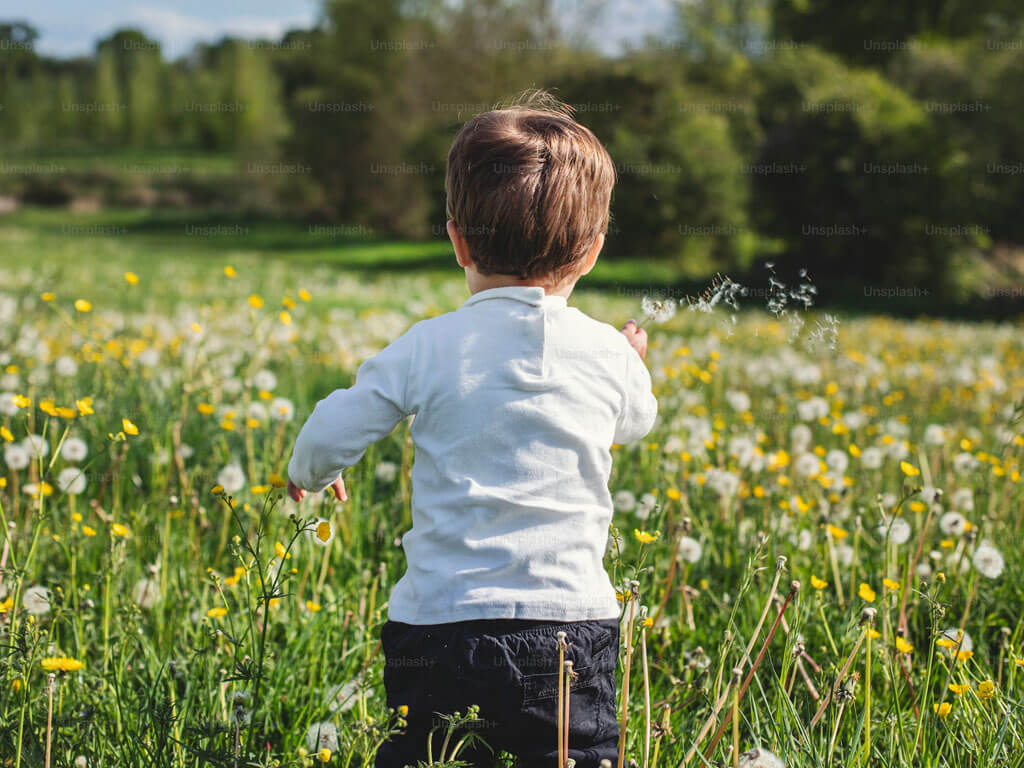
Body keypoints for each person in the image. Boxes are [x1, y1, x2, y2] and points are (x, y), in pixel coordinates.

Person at [287, 90, 658, 768]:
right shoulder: (607, 351)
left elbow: (330, 428)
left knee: (430, 755)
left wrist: (312, 472)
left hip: (439, 630)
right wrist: (631, 362)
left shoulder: (428, 345)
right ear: (593, 253)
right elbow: (636, 423)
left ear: (457, 239)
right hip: (573, 630)